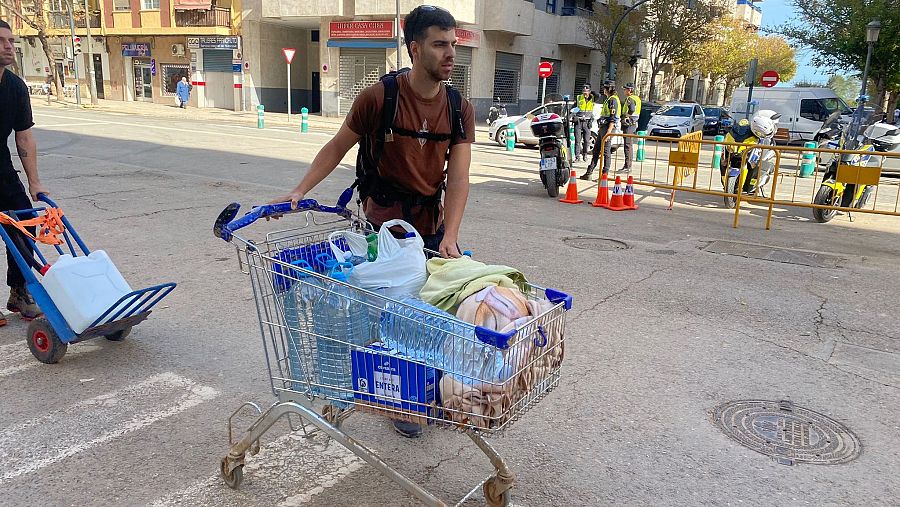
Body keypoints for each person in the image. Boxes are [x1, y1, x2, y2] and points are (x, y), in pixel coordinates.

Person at [270, 6, 475, 437]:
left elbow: (458, 178)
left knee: (426, 311)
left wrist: (451, 235)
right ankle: (395, 396)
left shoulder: (459, 108)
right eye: (440, 44)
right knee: (383, 315)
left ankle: (420, 388)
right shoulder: (379, 98)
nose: (450, 53)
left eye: (453, 44)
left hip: (430, 225)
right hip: (380, 225)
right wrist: (300, 190)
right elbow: (337, 146)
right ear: (415, 48)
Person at [1, 20, 48, 324]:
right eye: (2, 41)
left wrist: (35, 182)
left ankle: (19, 292)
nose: (9, 46)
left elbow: (24, 136)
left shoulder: (15, 87)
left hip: (1, 169)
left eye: (10, 40)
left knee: (24, 226)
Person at [581, 80, 621, 181]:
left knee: (606, 152)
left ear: (608, 89)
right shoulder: (608, 99)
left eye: (605, 88)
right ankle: (589, 172)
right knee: (596, 150)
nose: (603, 90)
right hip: (603, 128)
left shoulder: (613, 100)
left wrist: (609, 131)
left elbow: (613, 117)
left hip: (608, 128)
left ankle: (604, 175)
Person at [619, 83, 641, 174]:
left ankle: (627, 166)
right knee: (629, 145)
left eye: (625, 89)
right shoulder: (637, 98)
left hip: (629, 124)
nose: (624, 91)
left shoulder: (630, 99)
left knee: (627, 146)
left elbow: (631, 109)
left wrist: (626, 116)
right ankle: (627, 165)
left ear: (629, 90)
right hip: (634, 123)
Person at [573, 83, 595, 162]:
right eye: (583, 92)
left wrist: (591, 95)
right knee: (577, 140)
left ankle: (585, 155)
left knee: (586, 140)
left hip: (587, 122)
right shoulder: (579, 98)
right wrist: (574, 115)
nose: (585, 93)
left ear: (589, 92)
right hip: (578, 122)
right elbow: (573, 108)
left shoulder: (592, 98)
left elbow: (599, 95)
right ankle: (577, 157)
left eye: (586, 92)